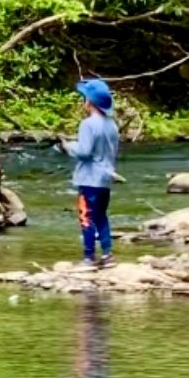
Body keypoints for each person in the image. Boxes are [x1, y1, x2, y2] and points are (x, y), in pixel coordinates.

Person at [60, 79, 121, 269]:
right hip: (105, 179)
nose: (83, 101)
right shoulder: (112, 125)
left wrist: (67, 146)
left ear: (90, 102)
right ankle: (108, 255)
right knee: (101, 216)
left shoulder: (87, 124)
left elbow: (85, 151)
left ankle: (88, 258)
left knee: (86, 217)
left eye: (84, 98)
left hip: (89, 179)